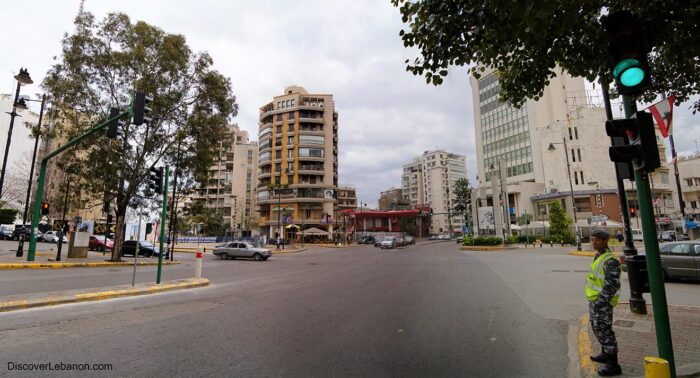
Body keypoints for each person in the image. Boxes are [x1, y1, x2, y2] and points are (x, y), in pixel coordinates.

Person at [586, 229, 622, 376]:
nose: (594, 242)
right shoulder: (598, 256)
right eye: (593, 239)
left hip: (602, 303)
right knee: (598, 329)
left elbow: (611, 285)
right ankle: (604, 354)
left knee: (606, 332)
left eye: (597, 240)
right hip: (594, 301)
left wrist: (602, 302)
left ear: (605, 241)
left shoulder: (610, 260)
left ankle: (613, 365)